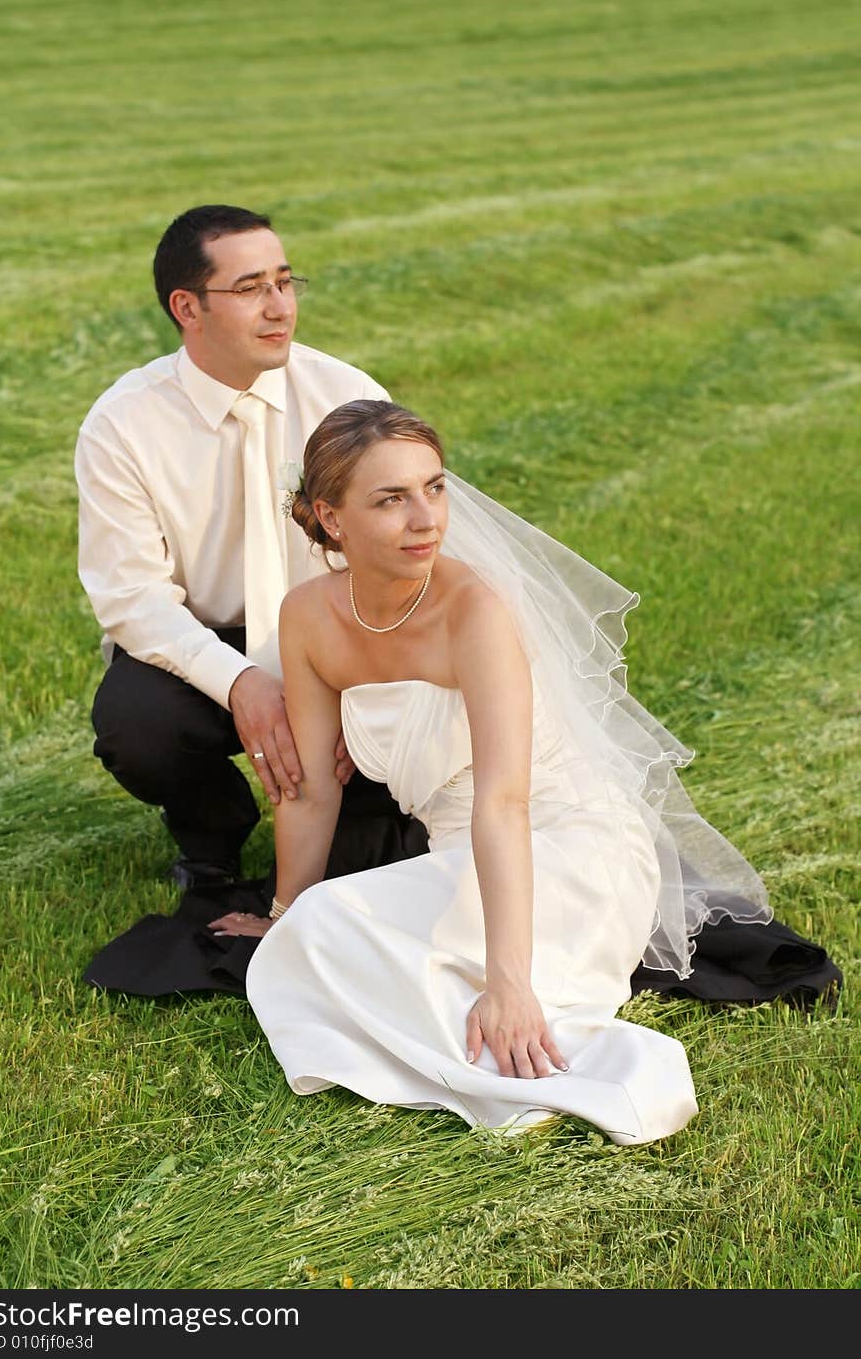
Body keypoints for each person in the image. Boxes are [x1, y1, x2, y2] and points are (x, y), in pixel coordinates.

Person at [205, 399, 782, 1142]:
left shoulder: (474, 610)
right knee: (311, 934)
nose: (426, 518)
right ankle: (451, 1005)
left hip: (566, 846)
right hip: (459, 853)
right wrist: (282, 915)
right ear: (332, 516)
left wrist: (509, 981)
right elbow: (313, 789)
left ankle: (529, 1026)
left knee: (393, 964)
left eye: (435, 488)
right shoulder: (309, 615)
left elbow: (504, 802)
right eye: (392, 499)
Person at [75, 205, 426, 894]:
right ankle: (211, 831)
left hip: (339, 628)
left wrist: (342, 685)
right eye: (250, 289)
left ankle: (356, 799)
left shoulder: (346, 397)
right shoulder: (122, 424)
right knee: (138, 725)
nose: (279, 308)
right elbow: (134, 598)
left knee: (364, 868)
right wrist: (240, 683)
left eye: (286, 283)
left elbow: (398, 559)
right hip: (206, 634)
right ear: (187, 307)